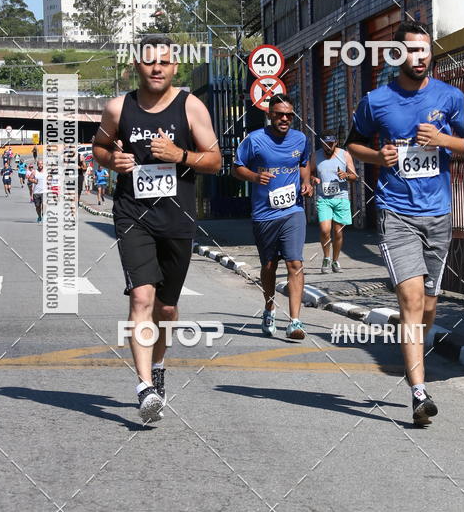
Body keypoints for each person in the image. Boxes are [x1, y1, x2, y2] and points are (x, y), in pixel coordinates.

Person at [92, 34, 221, 423]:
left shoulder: (190, 106)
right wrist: (111, 160)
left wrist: (180, 155)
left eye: (164, 61)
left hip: (177, 218)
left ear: (174, 66)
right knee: (141, 299)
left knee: (166, 307)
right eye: (149, 62)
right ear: (137, 66)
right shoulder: (120, 108)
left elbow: (214, 161)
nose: (157, 68)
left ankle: (159, 364)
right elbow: (99, 147)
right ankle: (145, 387)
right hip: (133, 215)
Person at [346, 21, 464, 427]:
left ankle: (417, 346)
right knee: (412, 301)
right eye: (411, 51)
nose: (419, 57)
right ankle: (419, 392)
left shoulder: (449, 96)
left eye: (424, 50)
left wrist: (444, 140)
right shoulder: (376, 101)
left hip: (437, 213)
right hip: (396, 213)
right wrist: (378, 158)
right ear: (396, 55)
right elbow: (353, 145)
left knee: (429, 304)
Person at [232, 94, 313, 341]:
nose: (285, 119)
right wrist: (255, 177)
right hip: (264, 214)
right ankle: (269, 309)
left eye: (289, 114)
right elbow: (236, 168)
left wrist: (307, 182)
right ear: (270, 115)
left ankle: (295, 321)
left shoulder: (301, 139)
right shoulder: (254, 140)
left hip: (293, 211)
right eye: (280, 114)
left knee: (295, 263)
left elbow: (304, 163)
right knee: (269, 266)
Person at [311, 131, 358, 273]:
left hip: (341, 198)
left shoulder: (344, 155)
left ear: (336, 143)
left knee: (338, 232)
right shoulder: (315, 156)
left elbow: (355, 176)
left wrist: (346, 175)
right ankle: (326, 258)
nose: (328, 147)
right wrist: (313, 179)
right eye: (326, 144)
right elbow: (310, 173)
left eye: (331, 144)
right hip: (323, 199)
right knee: (325, 230)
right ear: (322, 144)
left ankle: (336, 261)